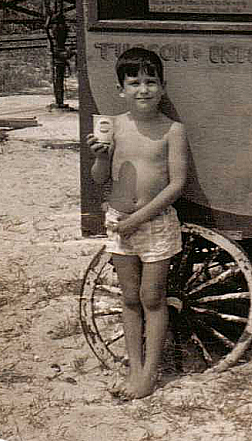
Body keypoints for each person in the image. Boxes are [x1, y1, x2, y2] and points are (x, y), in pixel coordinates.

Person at [86, 47, 188, 400]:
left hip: (155, 223)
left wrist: (139, 219)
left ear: (162, 87)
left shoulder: (172, 130)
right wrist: (99, 158)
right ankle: (133, 366)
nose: (143, 89)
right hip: (119, 223)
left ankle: (149, 373)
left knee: (152, 297)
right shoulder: (114, 127)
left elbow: (177, 184)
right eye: (134, 83)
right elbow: (101, 179)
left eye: (151, 82)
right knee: (129, 297)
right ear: (121, 89)